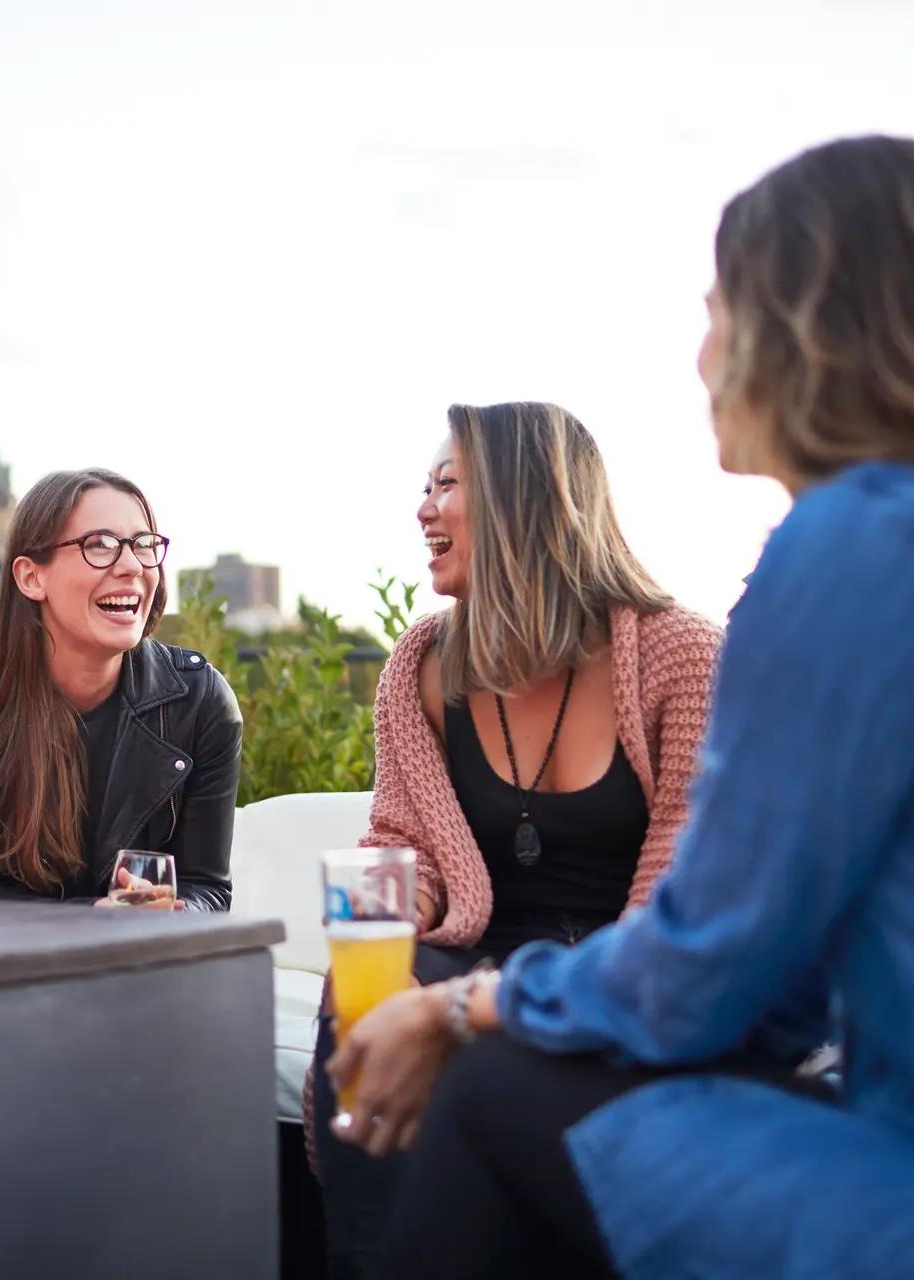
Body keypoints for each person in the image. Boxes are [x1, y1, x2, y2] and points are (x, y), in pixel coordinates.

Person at [334, 136, 914, 1279]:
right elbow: (779, 991)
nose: (701, 355)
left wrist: (463, 1011)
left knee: (496, 1082)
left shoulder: (857, 544)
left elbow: (708, 963)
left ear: (802, 323)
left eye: (715, 309)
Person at [309, 403, 723, 1275]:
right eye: (422, 489)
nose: (423, 509)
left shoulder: (681, 653)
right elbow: (403, 840)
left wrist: (532, 997)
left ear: (525, 499)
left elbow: (687, 889)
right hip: (480, 947)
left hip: (616, 962)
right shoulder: (421, 663)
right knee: (364, 1003)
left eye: (448, 485)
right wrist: (390, 913)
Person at [0, 468, 240, 908]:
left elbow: (206, 888)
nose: (133, 566)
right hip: (11, 969)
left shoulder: (200, 700)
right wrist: (93, 922)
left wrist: (175, 912)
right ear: (30, 577)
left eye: (144, 545)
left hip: (141, 967)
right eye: (99, 545)